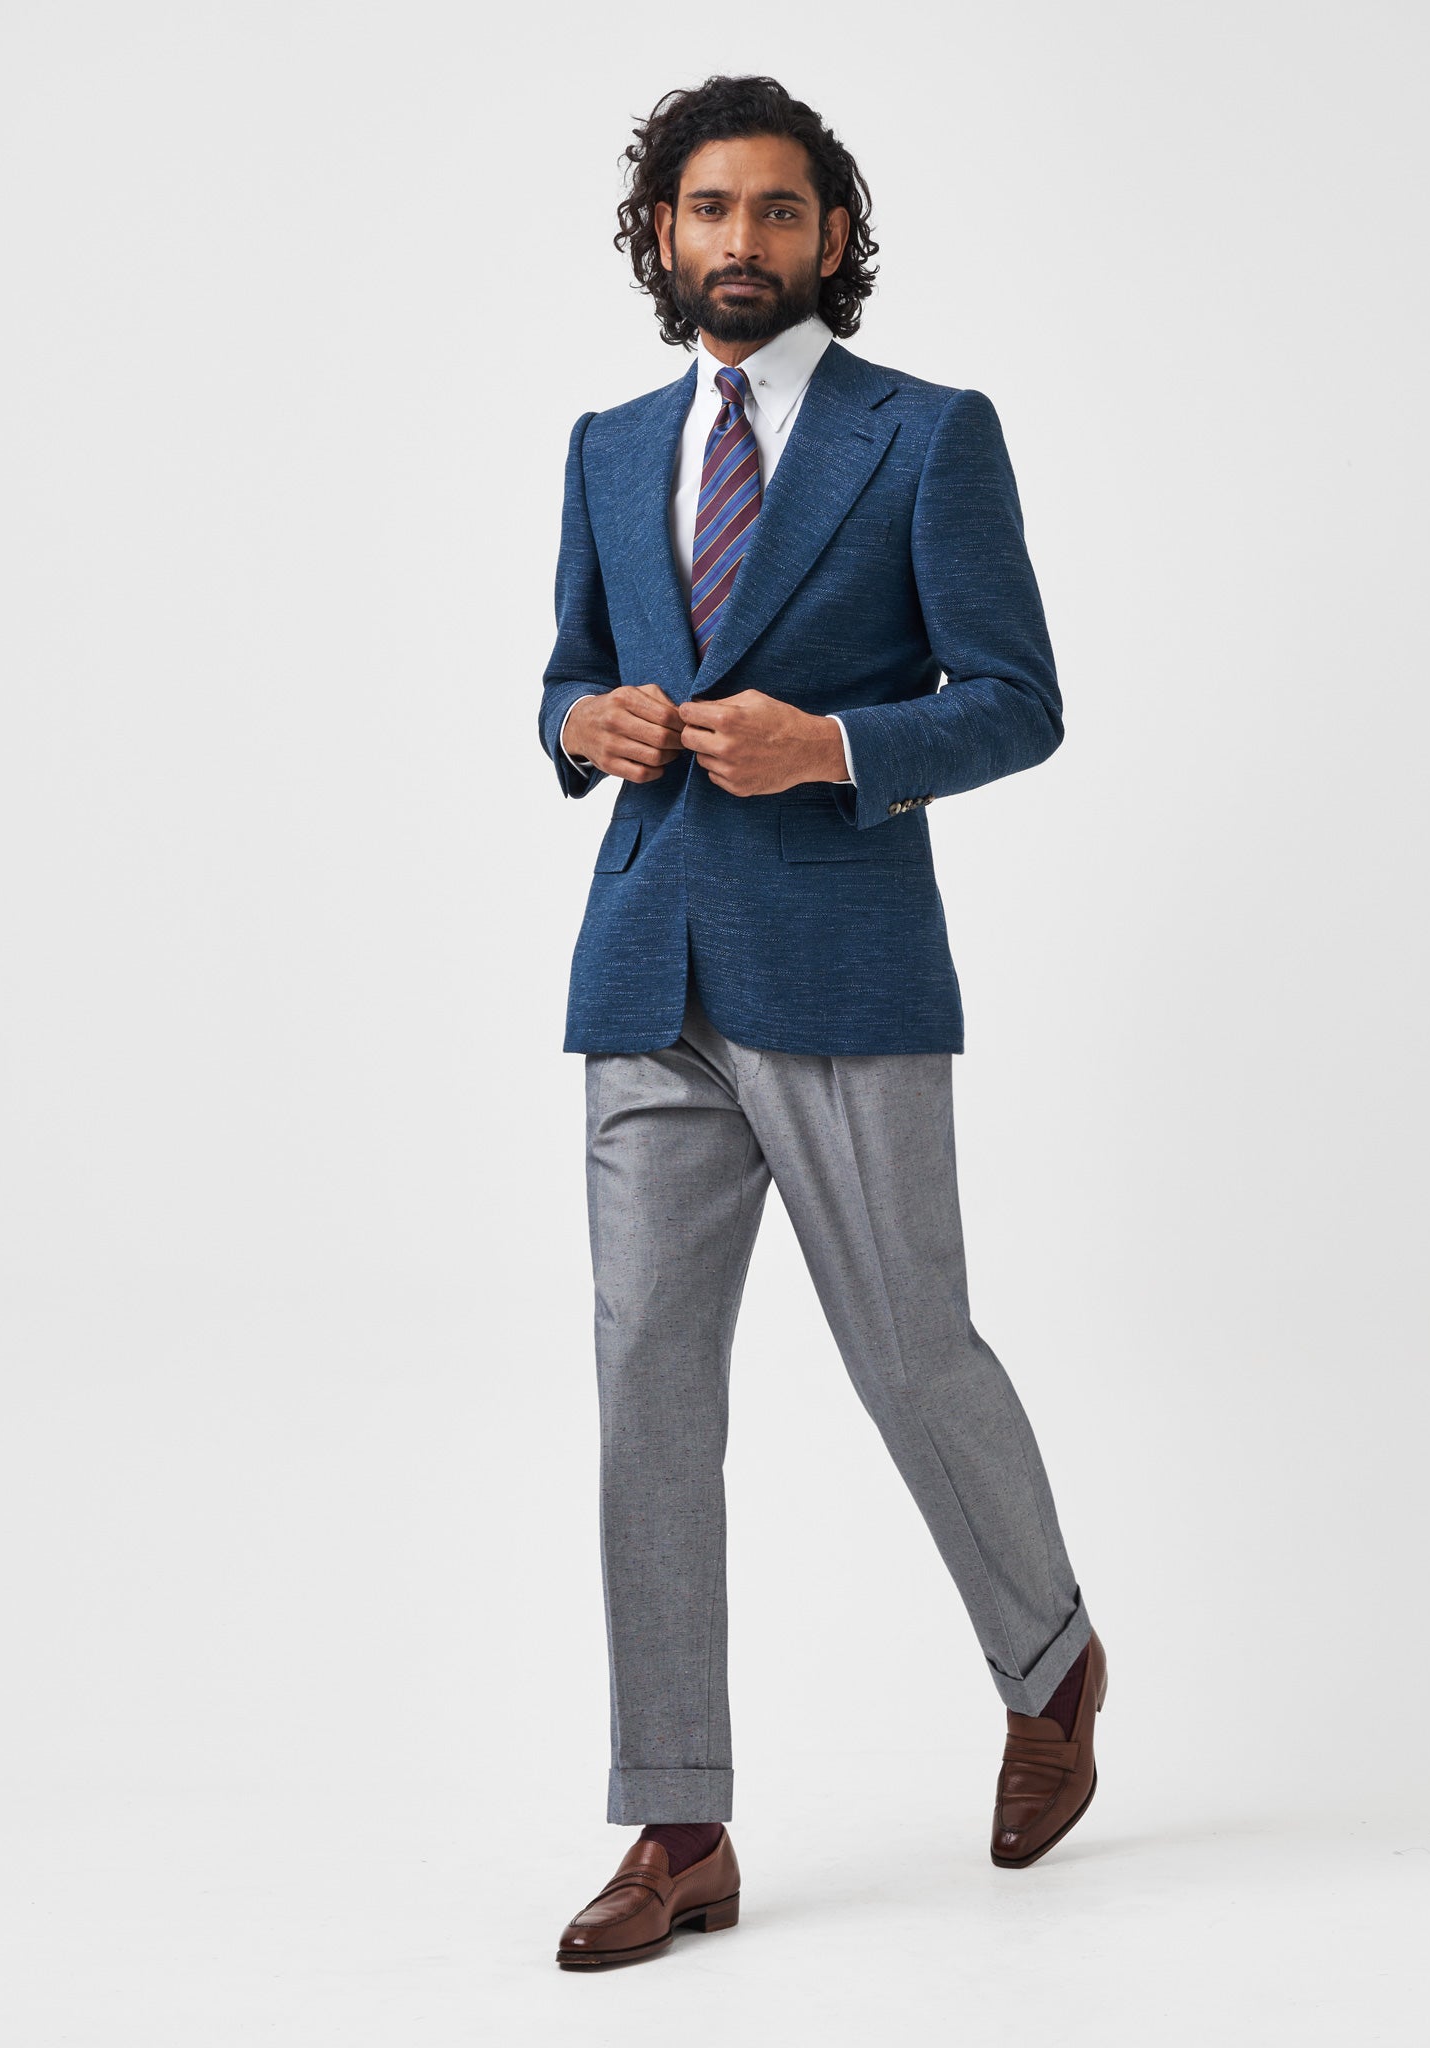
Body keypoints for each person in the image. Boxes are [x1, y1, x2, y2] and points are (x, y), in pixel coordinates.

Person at [539, 75, 1103, 1972]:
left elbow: (1016, 700)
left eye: (778, 211)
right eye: (709, 210)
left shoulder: (928, 435)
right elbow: (566, 671)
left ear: (831, 237)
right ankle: (676, 1823)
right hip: (646, 966)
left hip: (843, 964)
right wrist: (578, 723)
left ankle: (1050, 1660)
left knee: (909, 1352)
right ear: (663, 234)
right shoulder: (611, 447)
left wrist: (838, 747)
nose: (742, 241)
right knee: (645, 1388)